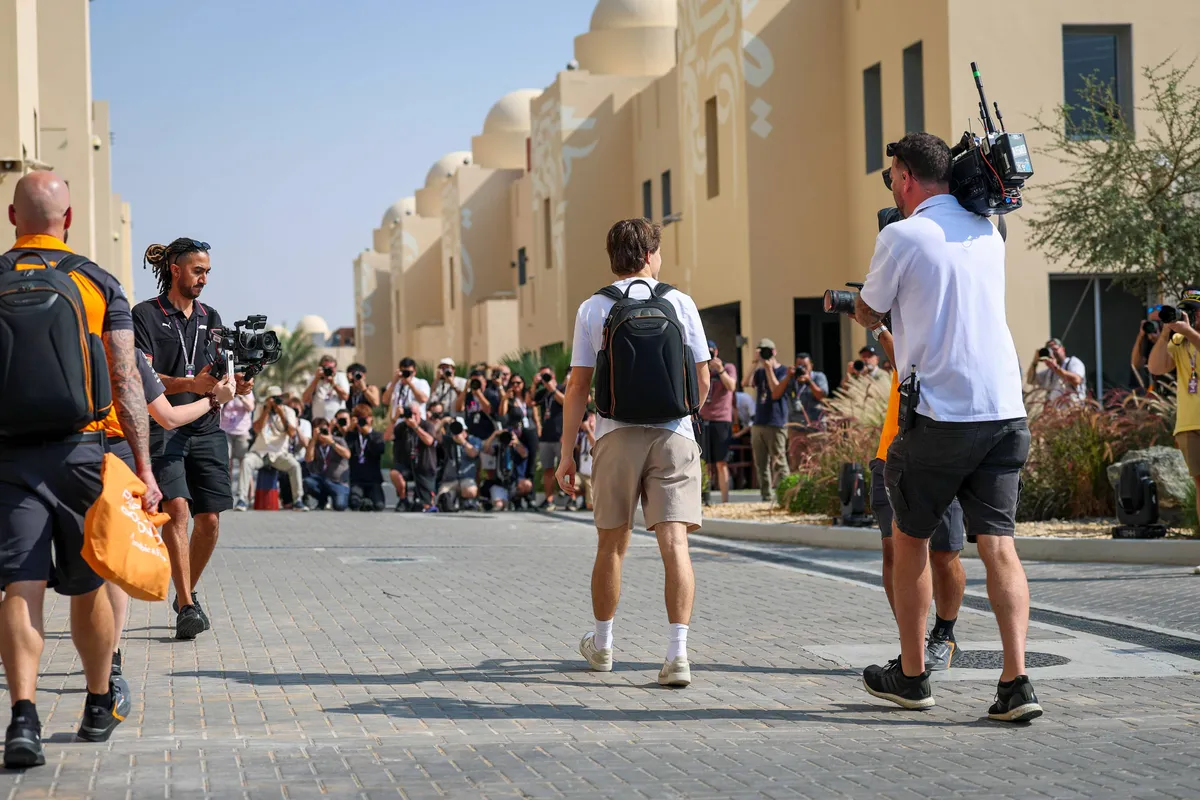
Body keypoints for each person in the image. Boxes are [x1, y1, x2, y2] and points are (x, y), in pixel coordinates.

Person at [855, 132, 1039, 721]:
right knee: (1000, 549)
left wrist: (862, 303)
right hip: (1006, 412)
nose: (893, 188)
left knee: (910, 541)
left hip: (941, 416)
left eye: (892, 178)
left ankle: (912, 677)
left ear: (905, 178)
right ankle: (1016, 683)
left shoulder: (900, 234)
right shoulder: (990, 231)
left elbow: (869, 308)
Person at [0, 172, 162, 766]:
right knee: (89, 578)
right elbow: (125, 379)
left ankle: (23, 717)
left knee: (21, 583)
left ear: (14, 218)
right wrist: (143, 468)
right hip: (84, 452)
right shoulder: (95, 281)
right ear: (67, 220)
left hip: (10, 456)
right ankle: (98, 700)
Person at [556, 218, 711, 688]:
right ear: (649, 255)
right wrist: (681, 415)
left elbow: (578, 385)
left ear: (613, 258)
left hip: (613, 434)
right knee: (675, 544)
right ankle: (677, 654)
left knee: (611, 543)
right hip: (674, 435)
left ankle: (602, 647)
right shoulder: (680, 302)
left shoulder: (594, 308)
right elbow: (703, 379)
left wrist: (567, 453)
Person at [134, 238, 254, 642]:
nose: (204, 278)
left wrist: (235, 381)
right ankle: (186, 604)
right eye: (197, 270)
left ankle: (186, 591)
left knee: (210, 521)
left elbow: (218, 371)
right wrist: (190, 383)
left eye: (207, 272)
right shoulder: (145, 316)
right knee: (179, 511)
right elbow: (145, 377)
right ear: (175, 269)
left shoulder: (211, 317)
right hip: (164, 428)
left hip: (206, 428)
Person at [106, 350, 234, 694]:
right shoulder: (127, 348)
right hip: (112, 459)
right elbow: (168, 417)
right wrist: (212, 398)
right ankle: (108, 660)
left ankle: (108, 658)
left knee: (34, 578)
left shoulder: (53, 341)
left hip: (57, 458)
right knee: (108, 568)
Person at [870, 328, 965, 671]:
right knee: (893, 554)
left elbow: (908, 359)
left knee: (943, 554)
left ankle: (944, 635)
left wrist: (878, 328)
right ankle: (915, 642)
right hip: (889, 456)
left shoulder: (945, 331)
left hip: (939, 457)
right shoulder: (909, 326)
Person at [1147, 291, 1200, 543]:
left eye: (1192, 310)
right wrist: (1167, 331)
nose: (1188, 315)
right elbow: (1156, 368)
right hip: (1189, 423)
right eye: (1184, 310)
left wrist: (1189, 331)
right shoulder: (1178, 340)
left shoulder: (1190, 337)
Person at [237, 386, 307, 513]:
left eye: (277, 399)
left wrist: (280, 412)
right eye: (272, 399)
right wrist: (267, 410)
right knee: (246, 461)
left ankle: (298, 500)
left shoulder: (289, 411)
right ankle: (242, 499)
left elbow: (292, 433)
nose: (275, 401)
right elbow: (257, 429)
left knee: (295, 465)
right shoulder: (260, 408)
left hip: (279, 453)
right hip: (260, 452)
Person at [746, 338, 791, 501]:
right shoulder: (759, 371)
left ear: (774, 352)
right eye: (762, 350)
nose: (765, 354)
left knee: (779, 461)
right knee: (761, 463)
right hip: (759, 422)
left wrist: (769, 369)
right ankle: (766, 496)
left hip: (776, 422)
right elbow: (745, 382)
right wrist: (754, 363)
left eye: (767, 350)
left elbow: (775, 392)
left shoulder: (784, 371)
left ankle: (784, 495)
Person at [699, 341, 738, 505]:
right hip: (703, 418)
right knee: (704, 462)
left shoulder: (728, 367)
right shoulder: (701, 368)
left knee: (721, 462)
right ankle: (705, 498)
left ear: (716, 351)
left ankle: (725, 501)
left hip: (721, 420)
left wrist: (719, 369)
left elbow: (732, 386)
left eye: (711, 352)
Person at [785, 352, 829, 470]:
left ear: (811, 366)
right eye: (799, 366)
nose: (802, 369)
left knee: (817, 463)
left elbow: (822, 396)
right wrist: (788, 377)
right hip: (796, 428)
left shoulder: (819, 377)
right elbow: (777, 393)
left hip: (816, 428)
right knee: (796, 464)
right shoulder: (791, 380)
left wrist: (809, 381)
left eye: (805, 366)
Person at [534, 366, 566, 510]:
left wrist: (553, 389)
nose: (544, 379)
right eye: (542, 377)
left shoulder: (562, 388)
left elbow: (566, 402)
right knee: (548, 469)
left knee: (564, 468)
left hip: (561, 436)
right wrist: (535, 385)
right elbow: (530, 402)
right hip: (546, 437)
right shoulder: (542, 393)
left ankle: (570, 498)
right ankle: (549, 499)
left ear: (553, 376)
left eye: (547, 376)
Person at [302, 417, 351, 511]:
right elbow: (308, 459)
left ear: (329, 428)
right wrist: (314, 439)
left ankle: (339, 497)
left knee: (340, 506)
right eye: (319, 430)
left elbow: (347, 455)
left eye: (324, 429)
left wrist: (331, 442)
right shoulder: (314, 444)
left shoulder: (338, 440)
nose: (322, 432)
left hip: (338, 482)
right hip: (322, 480)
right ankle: (322, 500)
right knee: (307, 482)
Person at [346, 403, 387, 511]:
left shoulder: (377, 435)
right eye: (360, 418)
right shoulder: (352, 436)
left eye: (365, 418)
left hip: (373, 480)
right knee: (354, 503)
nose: (363, 421)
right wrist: (351, 429)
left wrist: (368, 434)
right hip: (357, 480)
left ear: (371, 419)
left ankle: (367, 501)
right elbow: (347, 451)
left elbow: (380, 449)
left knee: (379, 506)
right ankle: (364, 501)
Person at [219, 383, 255, 499]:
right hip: (226, 431)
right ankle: (227, 493)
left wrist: (240, 396)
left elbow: (251, 407)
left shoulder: (247, 391)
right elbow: (218, 406)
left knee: (244, 463)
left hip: (242, 432)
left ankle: (249, 494)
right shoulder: (225, 388)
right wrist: (228, 395)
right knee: (226, 463)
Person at [1027, 337, 1086, 405]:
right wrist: (1035, 362)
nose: (1053, 353)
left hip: (1073, 410)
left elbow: (1077, 380)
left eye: (1055, 349)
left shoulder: (1073, 362)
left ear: (1063, 349)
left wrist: (1056, 367)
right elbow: (1030, 380)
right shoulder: (1049, 372)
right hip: (1055, 412)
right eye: (1050, 351)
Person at [438, 421, 482, 510]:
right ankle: (452, 500)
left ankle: (465, 500)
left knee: (471, 490)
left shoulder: (474, 440)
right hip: (450, 481)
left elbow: (473, 453)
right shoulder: (449, 440)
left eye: (460, 431)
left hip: (466, 479)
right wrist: (442, 421)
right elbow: (435, 434)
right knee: (441, 497)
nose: (458, 434)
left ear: (465, 431)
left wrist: (463, 442)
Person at [302, 355, 350, 422]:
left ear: (335, 368)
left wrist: (333, 384)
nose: (329, 370)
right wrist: (316, 379)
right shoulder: (313, 379)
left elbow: (345, 397)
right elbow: (305, 399)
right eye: (326, 368)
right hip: (319, 421)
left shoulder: (340, 377)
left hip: (337, 421)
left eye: (331, 368)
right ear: (321, 368)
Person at [382, 357, 430, 425]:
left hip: (416, 423)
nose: (406, 374)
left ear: (414, 372)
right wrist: (394, 381)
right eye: (404, 372)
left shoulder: (421, 383)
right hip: (398, 424)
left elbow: (424, 399)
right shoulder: (394, 384)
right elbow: (385, 401)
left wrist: (410, 384)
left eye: (409, 372)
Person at [1130, 308, 1164, 394]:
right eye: (1152, 322)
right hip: (1158, 392)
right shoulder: (1149, 341)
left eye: (1158, 322)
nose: (1154, 326)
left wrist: (1160, 342)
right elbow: (1135, 364)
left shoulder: (1175, 337)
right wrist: (1141, 336)